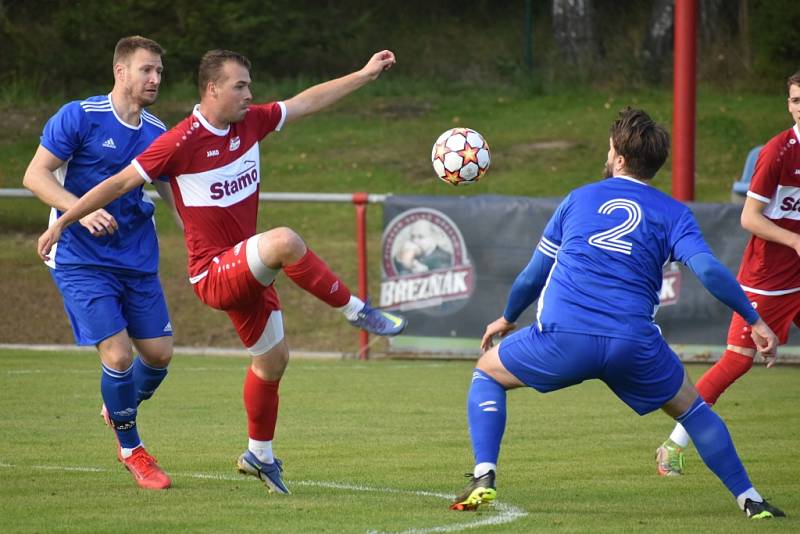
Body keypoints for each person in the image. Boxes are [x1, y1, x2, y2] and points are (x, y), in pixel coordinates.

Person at [36, 48, 407, 495]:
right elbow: (117, 184)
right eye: (240, 86)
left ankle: (260, 455)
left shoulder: (252, 122)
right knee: (285, 240)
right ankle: (356, 310)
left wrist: (364, 74)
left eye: (249, 85)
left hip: (245, 267)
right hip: (214, 273)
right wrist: (65, 218)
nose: (250, 94)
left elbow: (308, 101)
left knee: (271, 363)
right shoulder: (177, 140)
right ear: (212, 89)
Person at [449, 108, 786, 519]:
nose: (607, 155)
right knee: (694, 410)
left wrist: (506, 317)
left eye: (610, 149)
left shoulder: (580, 199)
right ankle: (750, 499)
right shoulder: (674, 213)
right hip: (633, 345)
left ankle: (484, 476)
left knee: (487, 372)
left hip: (564, 339)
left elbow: (533, 275)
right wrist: (753, 319)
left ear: (620, 159)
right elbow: (711, 272)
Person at [23, 36, 177, 490]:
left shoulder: (158, 131)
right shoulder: (80, 116)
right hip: (80, 258)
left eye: (159, 72)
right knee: (118, 354)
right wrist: (80, 210)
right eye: (146, 70)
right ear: (121, 71)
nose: (154, 79)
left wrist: (203, 236)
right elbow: (34, 174)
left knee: (159, 356)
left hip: (137, 256)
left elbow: (174, 195)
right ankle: (132, 449)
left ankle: (118, 406)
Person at [656, 71, 800, 477]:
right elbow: (749, 217)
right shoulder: (778, 153)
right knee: (737, 361)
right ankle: (672, 445)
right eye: (795, 100)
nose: (799, 108)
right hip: (768, 279)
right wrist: (793, 242)